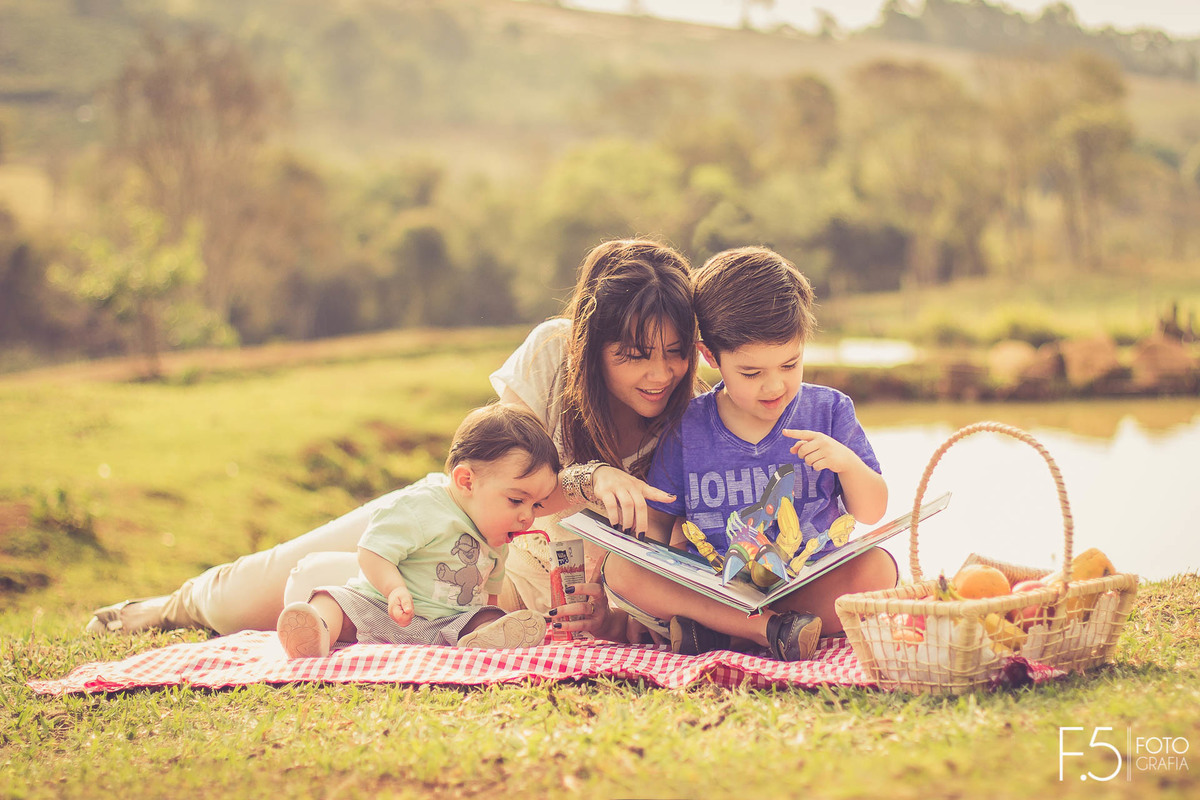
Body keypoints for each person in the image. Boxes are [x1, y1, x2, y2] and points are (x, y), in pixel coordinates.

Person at [86, 238, 700, 643]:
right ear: (590, 348)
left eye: (675, 353)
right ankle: (174, 606)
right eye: (633, 355)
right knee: (245, 595)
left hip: (516, 573)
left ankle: (323, 599)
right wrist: (587, 478)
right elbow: (495, 478)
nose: (659, 374)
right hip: (450, 517)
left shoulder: (691, 413)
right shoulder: (550, 352)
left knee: (323, 589)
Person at [603, 245, 895, 661]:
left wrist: (846, 463)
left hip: (806, 583)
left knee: (878, 568)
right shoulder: (688, 426)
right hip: (717, 589)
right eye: (752, 373)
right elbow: (657, 520)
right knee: (622, 567)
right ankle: (766, 630)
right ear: (709, 356)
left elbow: (872, 511)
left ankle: (727, 635)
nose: (774, 387)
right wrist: (649, 591)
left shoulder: (828, 411)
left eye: (790, 365)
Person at [276, 404, 558, 658]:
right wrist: (393, 588)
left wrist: (495, 620)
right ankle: (317, 631)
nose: (527, 517)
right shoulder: (423, 506)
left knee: (486, 616)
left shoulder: (498, 539)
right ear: (466, 482)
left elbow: (491, 594)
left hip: (449, 626)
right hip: (380, 610)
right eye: (517, 500)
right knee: (331, 599)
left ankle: (488, 640)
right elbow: (371, 551)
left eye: (536, 505)